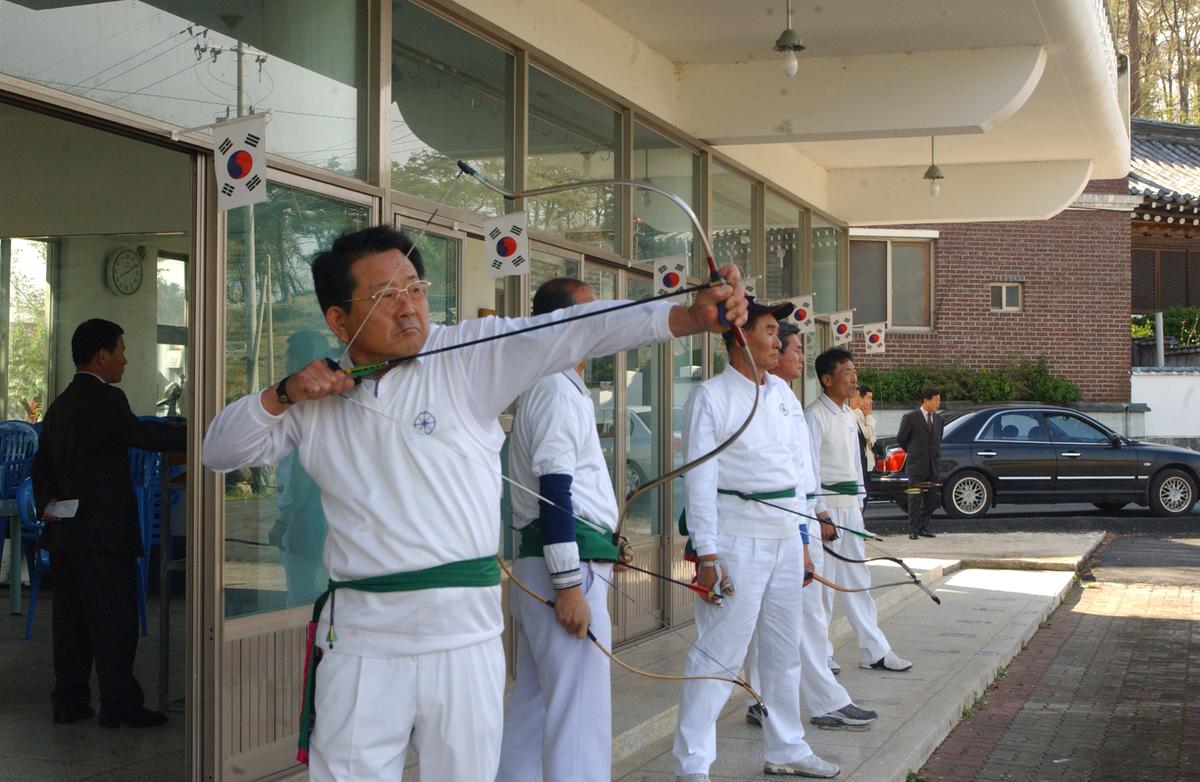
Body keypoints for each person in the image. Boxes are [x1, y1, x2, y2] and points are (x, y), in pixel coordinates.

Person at [201, 226, 748, 782]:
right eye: (384, 296)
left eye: (414, 288)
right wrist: (283, 393)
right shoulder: (317, 394)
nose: (408, 307)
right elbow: (219, 451)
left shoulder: (464, 355)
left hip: (464, 635)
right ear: (339, 320)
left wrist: (685, 317)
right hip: (361, 638)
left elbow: (568, 328)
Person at [673, 298, 839, 781]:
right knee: (718, 654)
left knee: (783, 652)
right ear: (740, 336)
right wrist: (707, 553)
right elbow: (699, 480)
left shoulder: (783, 395)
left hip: (786, 536)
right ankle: (692, 765)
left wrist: (805, 539)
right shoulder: (711, 396)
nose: (778, 340)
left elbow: (800, 471)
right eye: (769, 330)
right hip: (735, 540)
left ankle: (786, 747)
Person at [497, 277, 628, 782]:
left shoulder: (559, 387)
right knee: (579, 715)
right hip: (561, 576)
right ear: (563, 324)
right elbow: (554, 492)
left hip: (558, 565)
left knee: (534, 703)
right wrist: (569, 583)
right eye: (592, 312)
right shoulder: (553, 387)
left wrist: (605, 544)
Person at [32, 318, 186, 728]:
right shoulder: (107, 400)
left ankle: (69, 701)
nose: (125, 359)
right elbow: (143, 436)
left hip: (64, 534)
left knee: (72, 625)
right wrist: (198, 434)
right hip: (104, 535)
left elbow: (40, 467)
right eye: (121, 350)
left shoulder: (59, 405)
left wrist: (49, 504)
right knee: (115, 622)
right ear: (102, 355)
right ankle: (119, 704)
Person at [743, 322, 878, 732]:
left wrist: (816, 513)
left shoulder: (783, 395)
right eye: (793, 348)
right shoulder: (755, 397)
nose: (800, 356)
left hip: (800, 524)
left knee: (803, 616)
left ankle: (804, 700)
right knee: (765, 621)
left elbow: (802, 471)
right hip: (767, 528)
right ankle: (773, 699)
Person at [806, 348, 913, 675]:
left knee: (857, 580)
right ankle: (821, 654)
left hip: (850, 508)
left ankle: (874, 650)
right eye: (847, 372)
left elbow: (854, 465)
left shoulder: (846, 415)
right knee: (824, 588)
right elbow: (808, 466)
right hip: (825, 511)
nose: (854, 378)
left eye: (855, 371)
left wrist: (860, 501)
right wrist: (821, 511)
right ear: (827, 379)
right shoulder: (814, 415)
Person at [268, 330, 332, 606]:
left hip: (306, 520)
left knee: (301, 597)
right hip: (332, 522)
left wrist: (281, 521)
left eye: (287, 354)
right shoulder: (334, 402)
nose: (284, 361)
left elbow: (296, 477)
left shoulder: (298, 406)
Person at [896, 388, 943, 540]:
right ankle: (913, 529)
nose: (938, 403)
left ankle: (924, 527)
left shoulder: (938, 419)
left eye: (939, 400)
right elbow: (902, 439)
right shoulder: (911, 418)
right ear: (926, 400)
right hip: (916, 465)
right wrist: (913, 452)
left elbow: (938, 439)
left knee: (932, 500)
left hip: (932, 465)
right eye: (936, 400)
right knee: (915, 498)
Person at [849, 385, 876, 504]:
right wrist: (869, 416)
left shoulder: (864, 416)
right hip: (861, 464)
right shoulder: (856, 414)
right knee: (862, 499)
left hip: (868, 464)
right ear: (860, 398)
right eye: (869, 397)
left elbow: (872, 439)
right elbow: (868, 435)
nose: (871, 401)